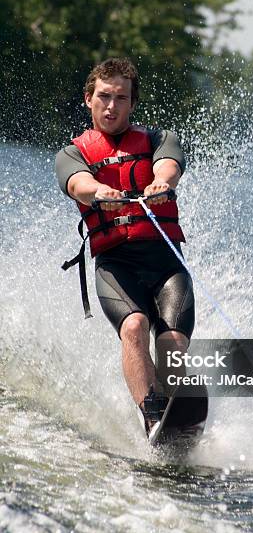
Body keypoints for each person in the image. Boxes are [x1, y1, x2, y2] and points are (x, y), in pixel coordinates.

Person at [55, 57, 195, 438]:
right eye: (104, 96)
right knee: (134, 326)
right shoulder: (72, 154)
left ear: (133, 103)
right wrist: (100, 192)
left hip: (165, 263)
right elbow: (78, 183)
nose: (112, 106)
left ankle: (177, 415)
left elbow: (168, 165)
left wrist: (161, 182)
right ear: (88, 99)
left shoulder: (158, 140)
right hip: (116, 265)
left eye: (121, 98)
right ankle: (152, 416)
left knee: (172, 342)